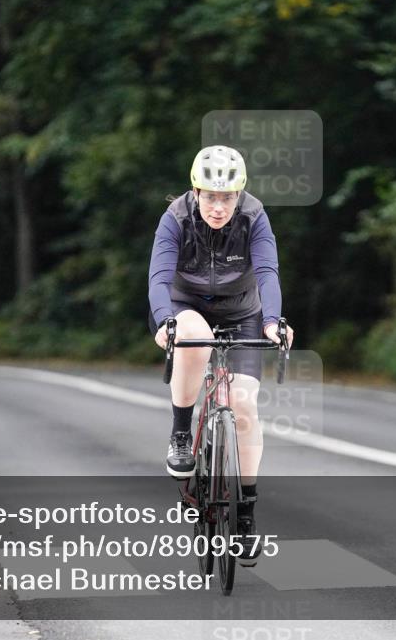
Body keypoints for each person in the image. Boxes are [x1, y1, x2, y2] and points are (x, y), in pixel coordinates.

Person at [147, 145, 295, 566]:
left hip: (243, 312)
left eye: (226, 196)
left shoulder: (255, 215)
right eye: (209, 196)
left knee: (244, 405)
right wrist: (164, 321)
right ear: (195, 191)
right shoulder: (175, 217)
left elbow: (267, 271)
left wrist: (273, 321)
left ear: (239, 194)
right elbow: (159, 275)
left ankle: (245, 513)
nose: (217, 206)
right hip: (185, 308)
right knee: (195, 335)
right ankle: (181, 433)